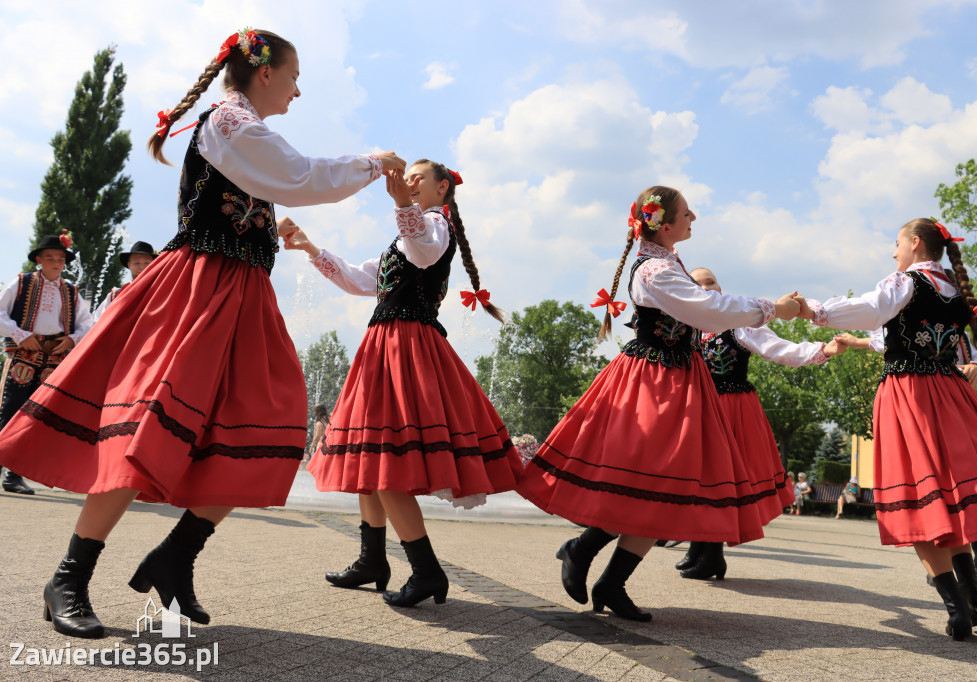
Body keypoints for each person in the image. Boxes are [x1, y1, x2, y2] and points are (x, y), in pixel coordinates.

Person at [0, 28, 405, 639]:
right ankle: (70, 576)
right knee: (146, 425)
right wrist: (377, 163)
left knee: (267, 429)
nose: (299, 90)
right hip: (196, 287)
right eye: (295, 76)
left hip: (242, 293)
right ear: (264, 72)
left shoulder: (245, 124)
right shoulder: (227, 119)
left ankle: (176, 556)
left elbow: (289, 176)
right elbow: (298, 176)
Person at [515, 186, 803, 621]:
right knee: (649, 481)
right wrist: (774, 308)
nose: (694, 217)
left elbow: (708, 308)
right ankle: (584, 548)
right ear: (664, 225)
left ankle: (609, 580)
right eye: (687, 213)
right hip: (652, 382)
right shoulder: (653, 271)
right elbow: (708, 310)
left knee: (669, 490)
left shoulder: (668, 262)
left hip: (680, 381)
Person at [283, 159, 521, 608]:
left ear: (443, 187)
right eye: (405, 176)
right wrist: (310, 247)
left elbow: (425, 253)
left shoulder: (435, 225)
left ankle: (426, 570)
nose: (408, 182)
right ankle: (372, 560)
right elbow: (358, 280)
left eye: (417, 178)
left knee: (384, 460)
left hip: (406, 346)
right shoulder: (406, 232)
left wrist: (399, 207)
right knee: (367, 460)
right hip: (386, 344)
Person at [801, 217, 977, 640]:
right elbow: (908, 336)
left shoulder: (904, 283)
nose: (893, 252)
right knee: (948, 500)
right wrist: (859, 342)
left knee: (919, 502)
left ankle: (957, 607)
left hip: (909, 396)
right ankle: (974, 595)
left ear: (915, 244)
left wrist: (813, 310)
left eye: (897, 243)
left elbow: (871, 309)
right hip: (951, 397)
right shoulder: (958, 293)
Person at [674, 267, 845, 578]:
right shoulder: (689, 325)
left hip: (731, 409)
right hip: (699, 408)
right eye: (697, 285)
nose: (706, 288)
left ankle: (711, 554)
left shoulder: (739, 323)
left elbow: (779, 349)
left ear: (721, 286)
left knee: (718, 479)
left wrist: (823, 350)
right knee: (698, 477)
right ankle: (699, 548)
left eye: (711, 281)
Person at [837, 327, 977, 591]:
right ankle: (946, 568)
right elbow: (885, 341)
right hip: (928, 420)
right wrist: (855, 340)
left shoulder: (960, 336)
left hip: (961, 420)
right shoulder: (914, 326)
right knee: (942, 495)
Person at [0, 232, 93, 495]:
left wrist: (72, 340)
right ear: (38, 259)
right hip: (24, 354)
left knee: (36, 416)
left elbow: (88, 325)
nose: (55, 262)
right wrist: (21, 335)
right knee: (10, 410)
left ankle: (13, 475)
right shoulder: (21, 283)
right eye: (50, 258)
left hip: (54, 358)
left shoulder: (71, 291)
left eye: (60, 259)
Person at [92, 241, 159, 322]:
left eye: (147, 263)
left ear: (154, 264)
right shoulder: (115, 296)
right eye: (136, 263)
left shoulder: (160, 294)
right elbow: (98, 323)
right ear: (129, 265)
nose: (142, 267)